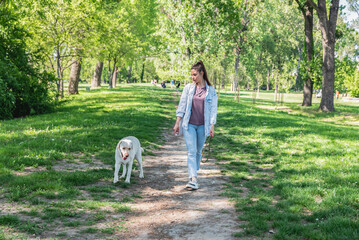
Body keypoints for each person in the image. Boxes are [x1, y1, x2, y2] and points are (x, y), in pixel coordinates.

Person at [173, 60, 218, 191]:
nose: (193, 77)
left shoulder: (211, 91)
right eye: (191, 75)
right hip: (189, 125)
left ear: (201, 73)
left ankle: (194, 171)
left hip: (203, 126)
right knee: (191, 152)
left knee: (198, 151)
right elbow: (182, 105)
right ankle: (193, 178)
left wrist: (212, 125)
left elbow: (213, 109)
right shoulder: (188, 88)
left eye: (195, 75)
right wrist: (177, 122)